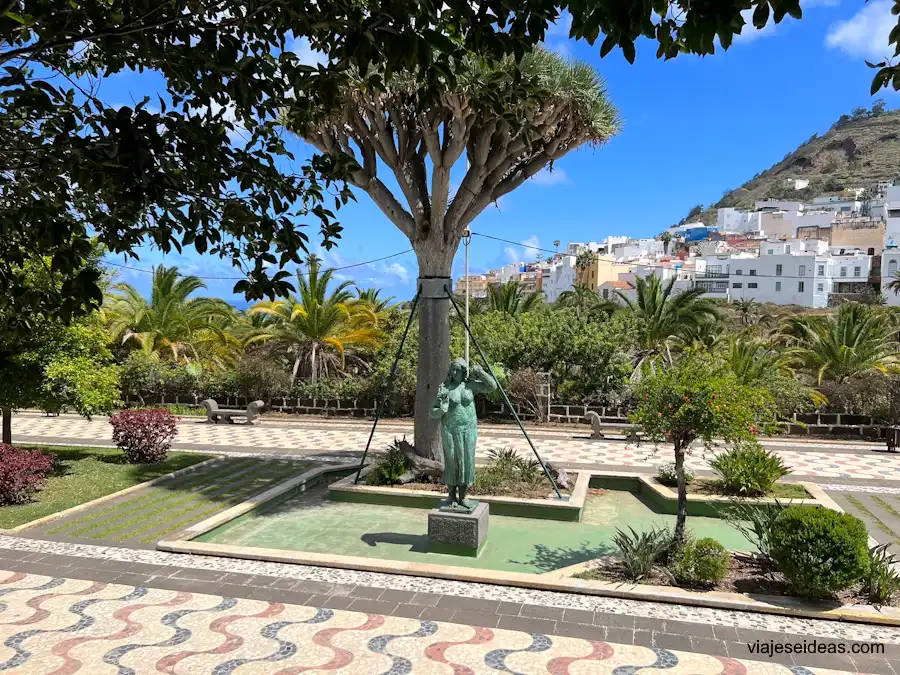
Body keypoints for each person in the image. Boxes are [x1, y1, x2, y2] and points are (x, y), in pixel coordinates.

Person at [429, 358, 496, 510]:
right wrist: (440, 410)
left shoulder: (470, 385)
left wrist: (480, 372)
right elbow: (432, 411)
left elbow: (492, 386)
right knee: (452, 461)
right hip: (450, 430)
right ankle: (451, 495)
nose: (453, 372)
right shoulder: (444, 388)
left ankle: (464, 496)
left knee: (467, 461)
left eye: (457, 369)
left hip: (469, 430)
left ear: (464, 371)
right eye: (452, 369)